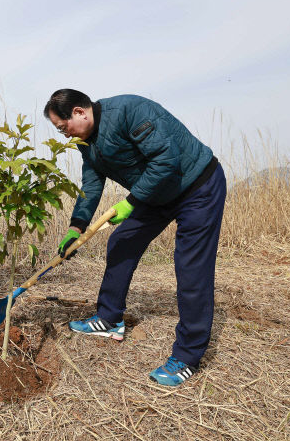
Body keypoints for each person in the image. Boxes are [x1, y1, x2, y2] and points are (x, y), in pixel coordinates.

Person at [45, 90, 226, 386]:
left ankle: (188, 356)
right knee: (122, 242)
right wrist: (76, 227)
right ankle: (109, 318)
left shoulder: (130, 110)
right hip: (156, 194)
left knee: (190, 268)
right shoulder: (86, 144)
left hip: (196, 186)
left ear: (79, 112)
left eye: (63, 128)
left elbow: (166, 160)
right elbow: (91, 185)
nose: (65, 135)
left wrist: (130, 203)